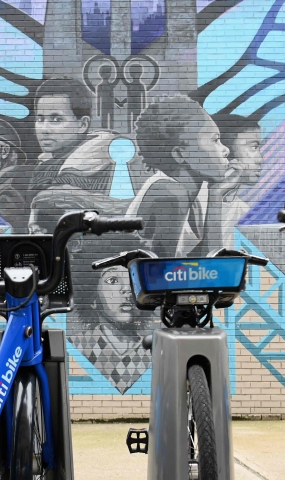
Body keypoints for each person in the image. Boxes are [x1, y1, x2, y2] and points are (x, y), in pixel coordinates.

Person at [131, 96, 230, 258]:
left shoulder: (192, 202)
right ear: (180, 153)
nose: (226, 150)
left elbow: (210, 261)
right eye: (215, 140)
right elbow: (162, 274)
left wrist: (216, 195)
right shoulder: (170, 194)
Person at [68, 236, 156, 393]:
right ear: (92, 298)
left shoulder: (153, 350)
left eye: (132, 279)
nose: (127, 289)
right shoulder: (79, 345)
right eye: (113, 280)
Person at [30, 77, 113, 195]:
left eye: (56, 120)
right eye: (40, 119)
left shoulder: (89, 169)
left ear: (82, 125)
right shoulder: (47, 164)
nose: (44, 129)